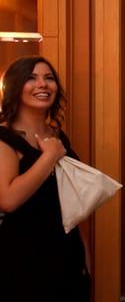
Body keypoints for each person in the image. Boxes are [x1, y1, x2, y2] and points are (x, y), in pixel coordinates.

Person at [0, 56, 91, 301]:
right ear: (15, 86)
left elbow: (72, 205)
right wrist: (49, 156)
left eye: (49, 78)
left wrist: (84, 255)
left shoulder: (59, 137)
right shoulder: (4, 137)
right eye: (32, 78)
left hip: (66, 252)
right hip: (22, 254)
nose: (43, 84)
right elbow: (7, 200)